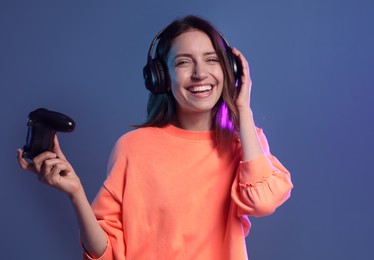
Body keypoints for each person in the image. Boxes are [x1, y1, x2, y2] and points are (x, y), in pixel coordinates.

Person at [17, 15, 293, 260]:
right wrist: (76, 193)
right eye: (184, 62)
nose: (200, 74)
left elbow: (262, 202)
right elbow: (107, 252)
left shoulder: (245, 144)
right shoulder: (133, 147)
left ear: (229, 71)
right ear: (160, 77)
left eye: (211, 60)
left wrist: (242, 109)